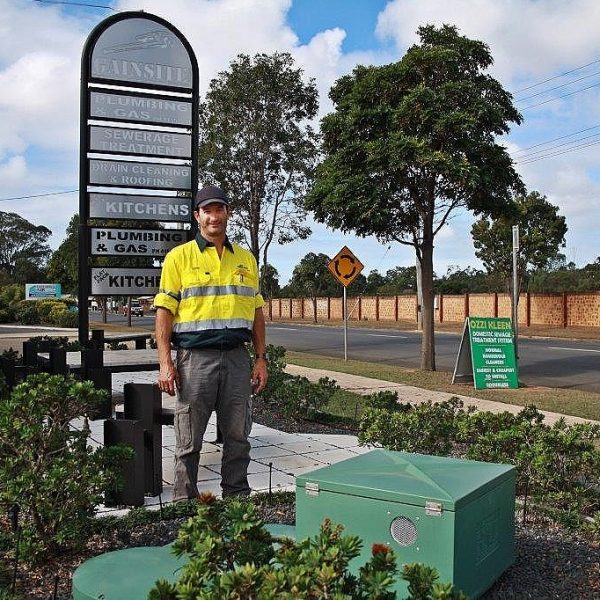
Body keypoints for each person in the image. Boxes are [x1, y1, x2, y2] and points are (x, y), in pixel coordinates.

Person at [153, 184, 268, 500]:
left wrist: (260, 358)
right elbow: (164, 312)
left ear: (228, 213)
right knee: (189, 439)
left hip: (236, 358)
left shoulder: (246, 259)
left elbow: (257, 311)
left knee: (238, 436)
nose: (214, 216)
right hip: (195, 360)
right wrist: (165, 363)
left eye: (220, 209)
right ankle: (183, 504)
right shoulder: (179, 258)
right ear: (197, 216)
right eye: (208, 210)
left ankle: (236, 498)